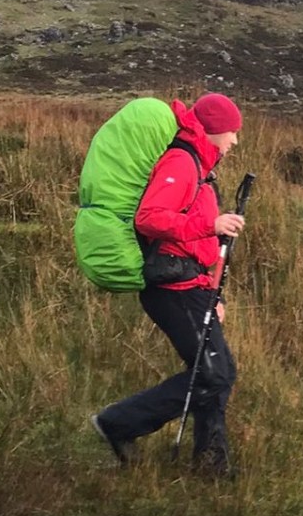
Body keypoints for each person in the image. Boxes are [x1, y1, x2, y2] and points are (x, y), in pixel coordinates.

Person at [91, 92, 246, 476]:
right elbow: (150, 218)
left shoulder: (202, 168)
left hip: (192, 287)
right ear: (211, 130)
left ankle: (212, 464)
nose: (235, 140)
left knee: (219, 370)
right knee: (211, 374)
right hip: (171, 290)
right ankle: (118, 423)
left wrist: (213, 295)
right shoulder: (181, 161)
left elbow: (202, 246)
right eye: (231, 131)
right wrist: (210, 225)